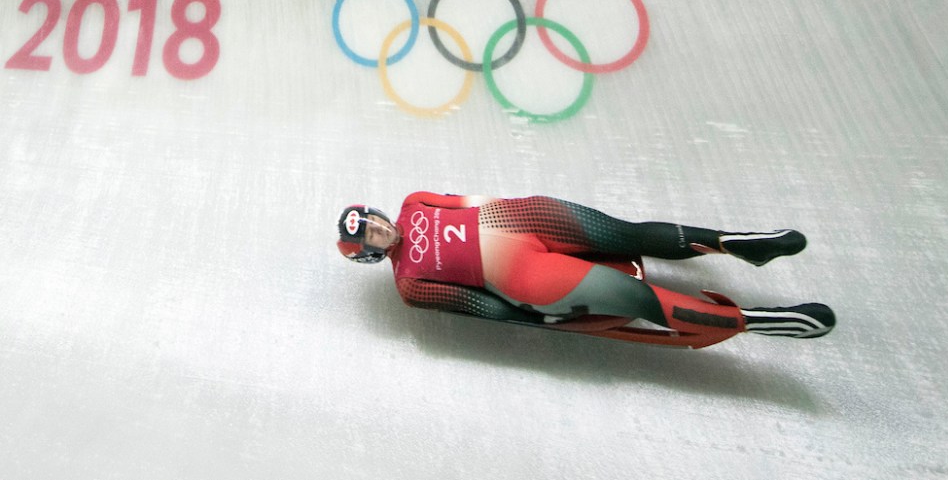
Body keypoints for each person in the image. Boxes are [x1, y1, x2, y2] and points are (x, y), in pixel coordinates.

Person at [336, 192, 835, 348]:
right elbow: (478, 306)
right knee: (634, 298)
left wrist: (522, 204)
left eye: (375, 223)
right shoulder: (409, 285)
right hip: (521, 276)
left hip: (524, 218)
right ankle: (758, 320)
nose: (381, 231)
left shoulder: (413, 202)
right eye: (372, 237)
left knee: (625, 233)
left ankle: (735, 243)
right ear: (371, 253)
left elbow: (470, 199)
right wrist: (533, 319)